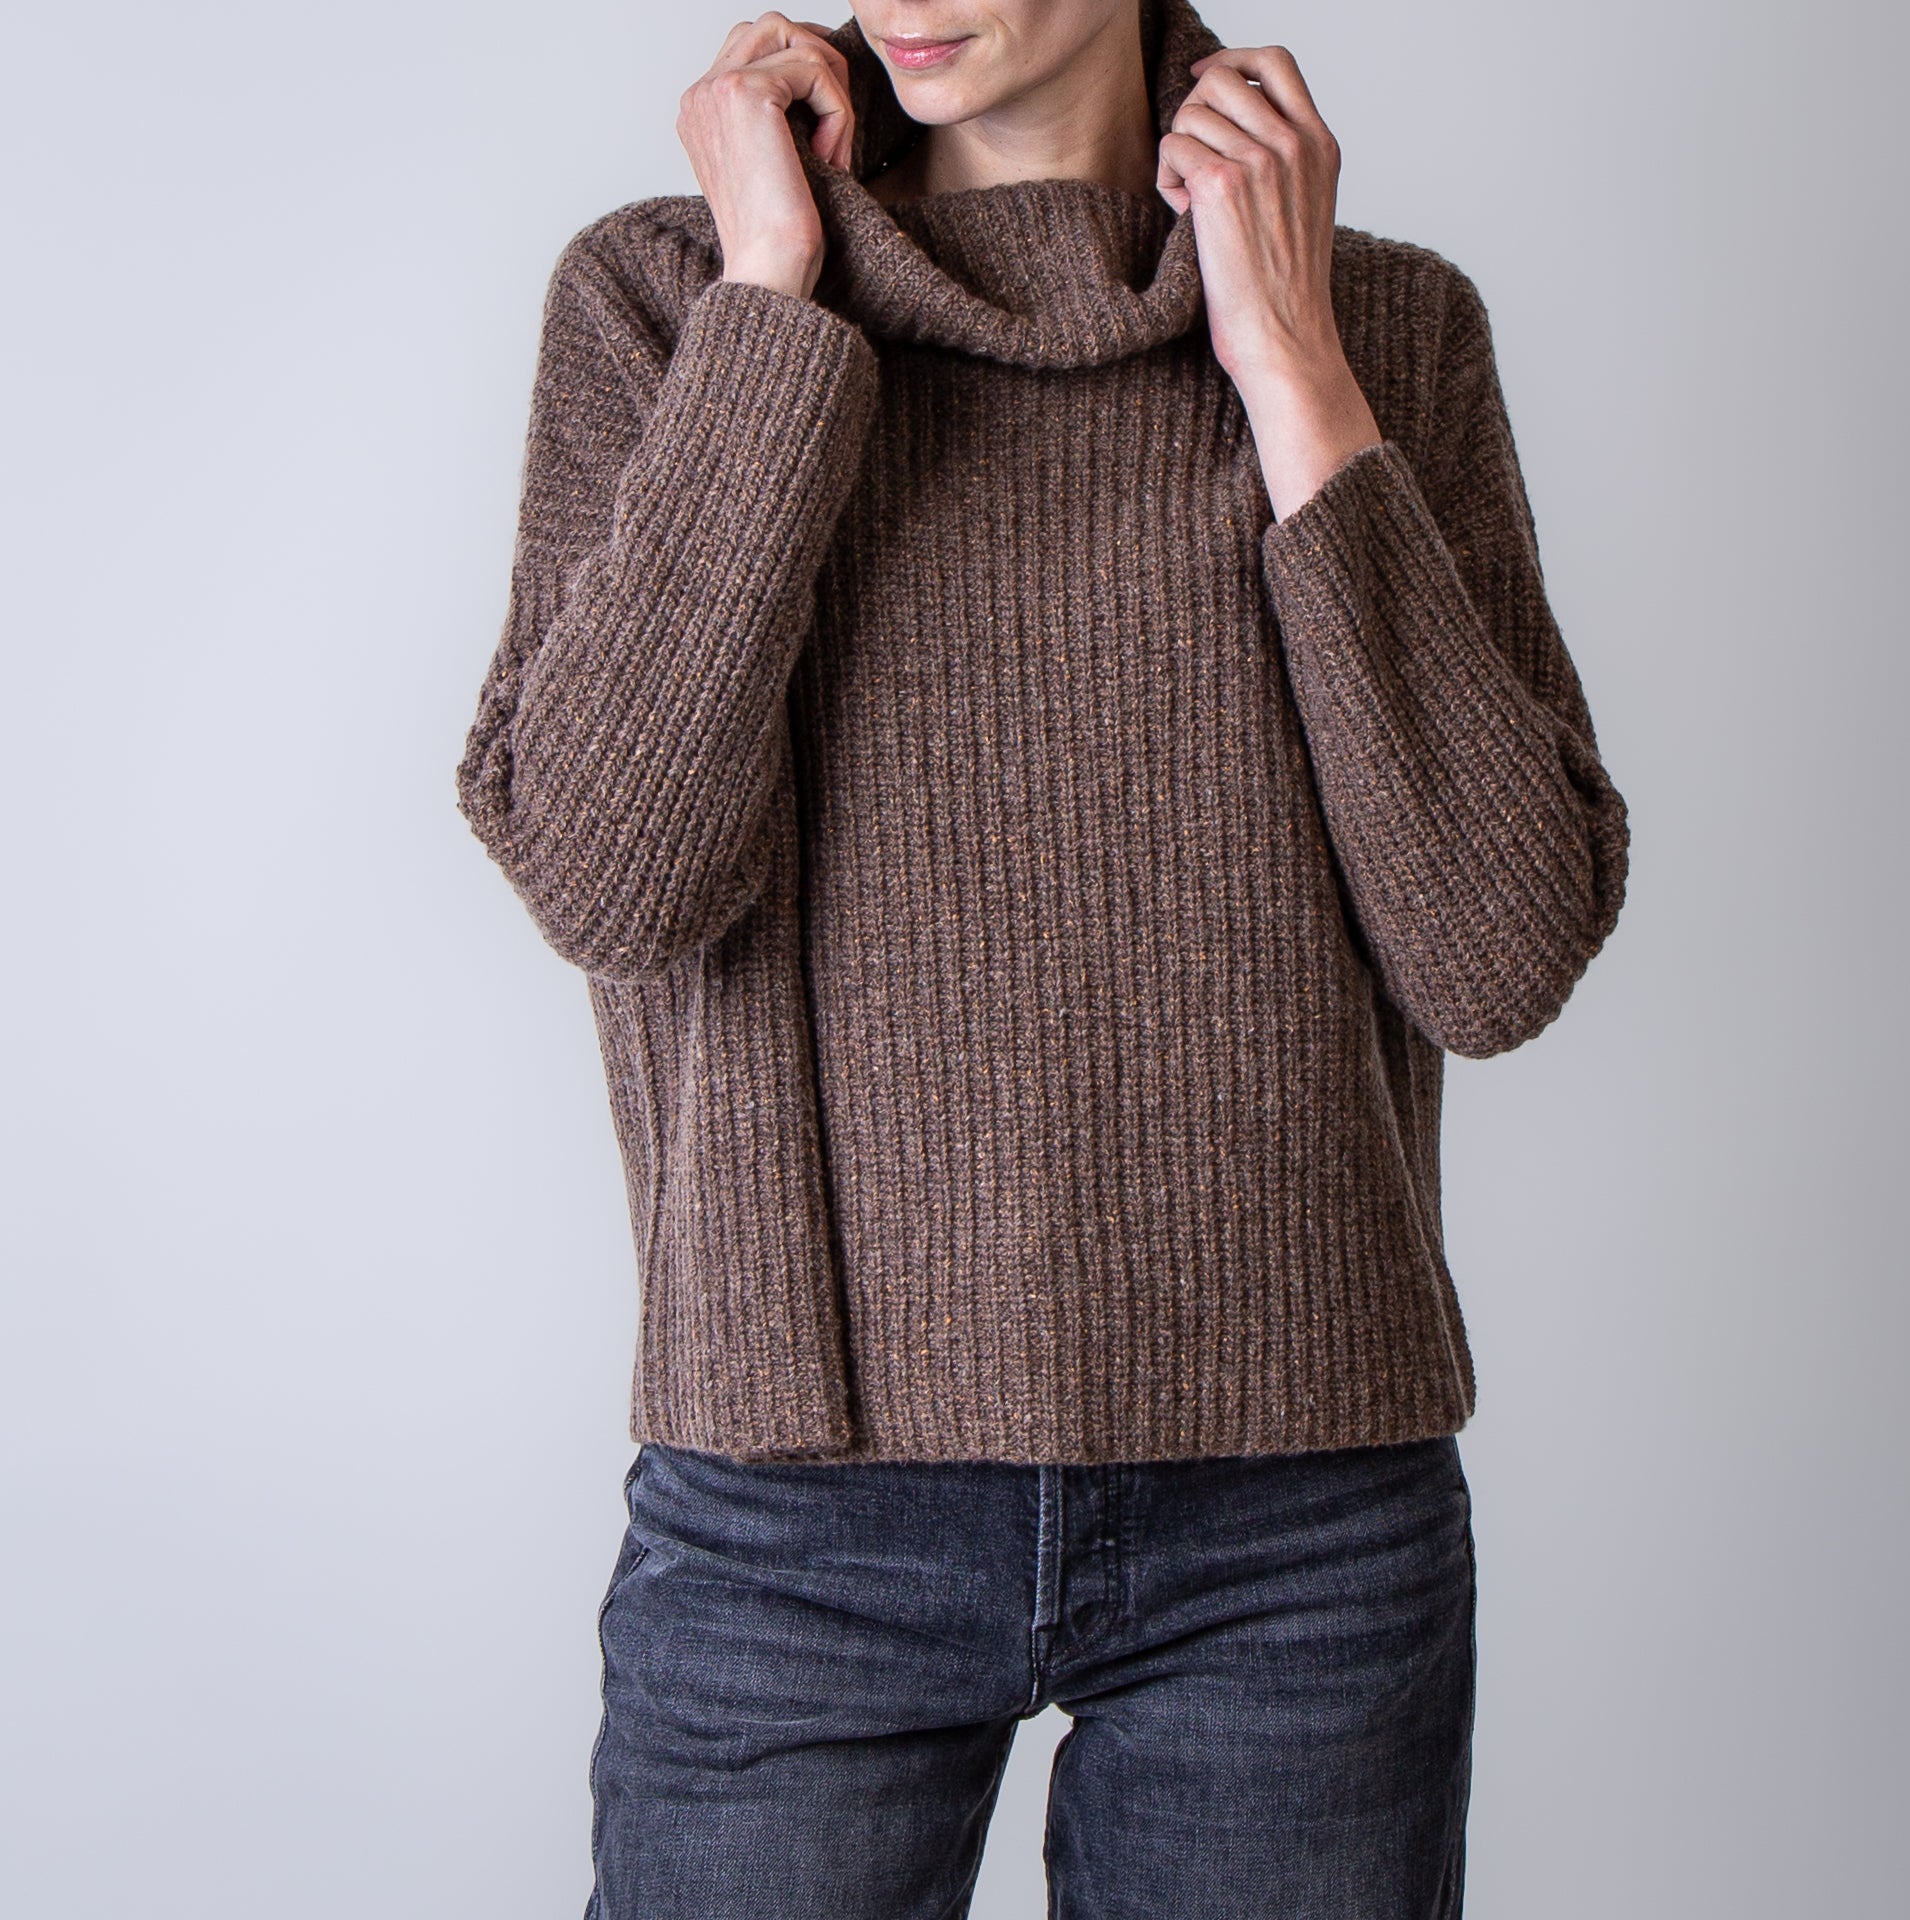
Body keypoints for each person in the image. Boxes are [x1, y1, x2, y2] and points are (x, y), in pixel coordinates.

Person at [454, 0, 1630, 1912]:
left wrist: (1293, 365)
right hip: (798, 1526)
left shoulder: (1388, 324)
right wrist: (772, 302)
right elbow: (610, 877)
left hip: (1296, 1531)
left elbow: (1498, 953)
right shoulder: (673, 296)